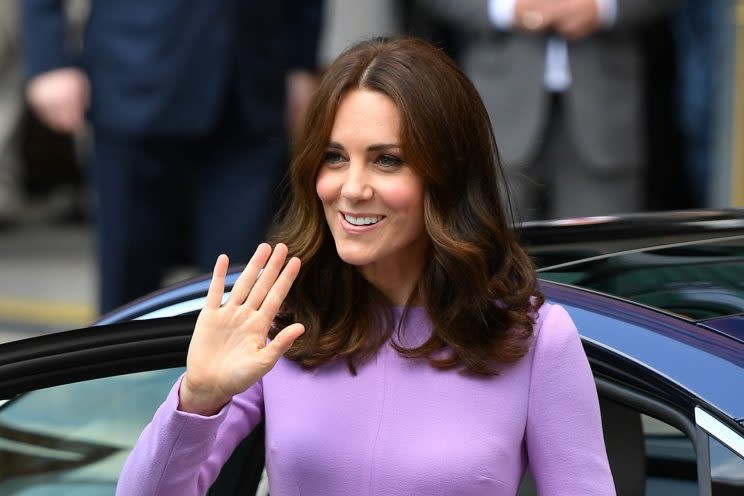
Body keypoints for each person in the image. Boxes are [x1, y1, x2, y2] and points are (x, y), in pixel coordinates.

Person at [117, 37, 615, 495]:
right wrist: (197, 398)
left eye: (387, 160)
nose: (351, 188)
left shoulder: (534, 338)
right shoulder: (281, 322)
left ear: (446, 176)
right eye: (334, 157)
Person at [21, 1, 323, 313]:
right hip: (134, 80)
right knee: (129, 293)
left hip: (249, 87)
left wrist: (302, 58)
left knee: (240, 289)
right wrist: (48, 59)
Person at [420, 0, 679, 220]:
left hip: (604, 112)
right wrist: (506, 8)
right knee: (489, 258)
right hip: (499, 109)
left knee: (601, 261)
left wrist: (604, 8)